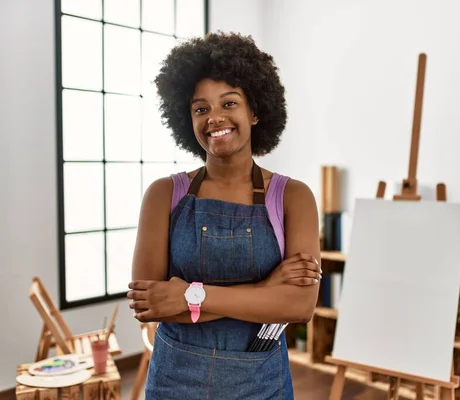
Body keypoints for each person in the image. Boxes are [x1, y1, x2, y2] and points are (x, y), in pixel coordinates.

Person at [126, 32, 322, 399]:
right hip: (174, 381)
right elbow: (150, 304)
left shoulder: (293, 197)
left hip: (260, 381)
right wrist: (266, 290)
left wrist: (188, 296)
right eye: (201, 109)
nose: (214, 118)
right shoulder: (163, 195)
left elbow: (299, 305)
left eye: (229, 103)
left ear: (255, 110)